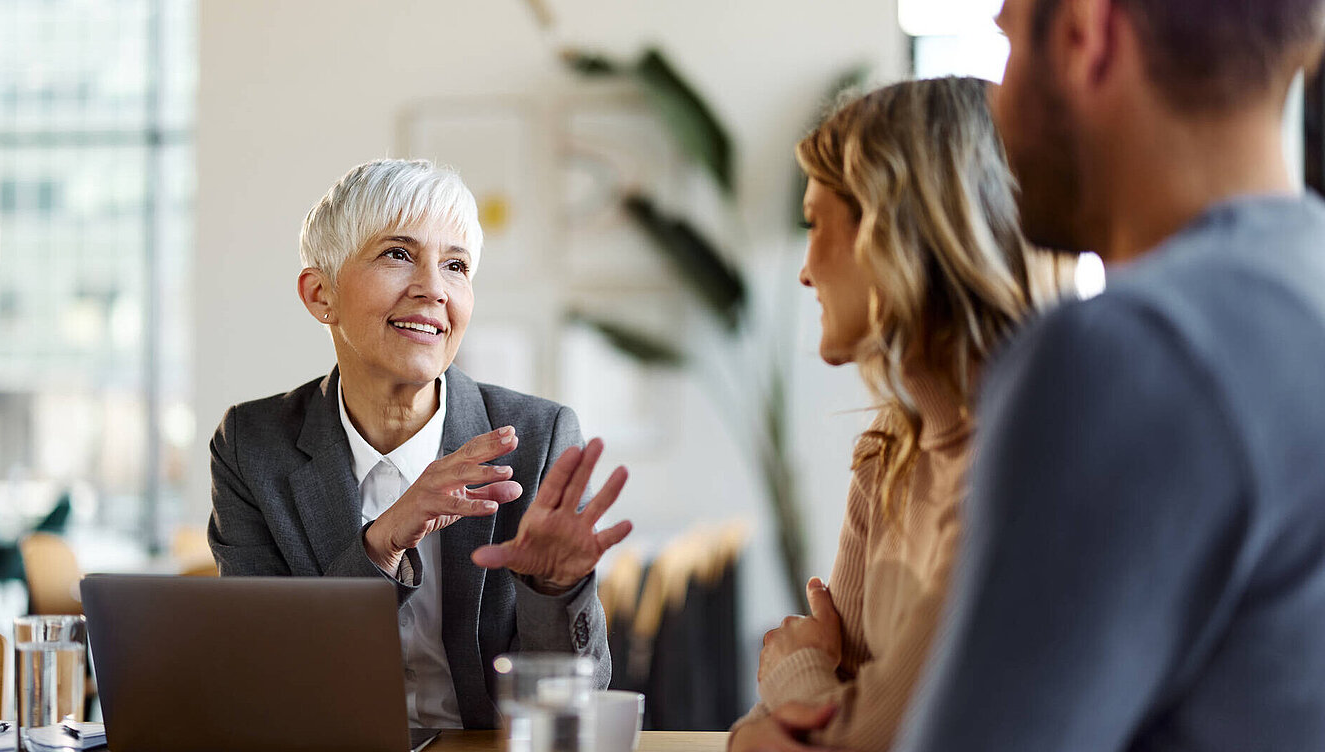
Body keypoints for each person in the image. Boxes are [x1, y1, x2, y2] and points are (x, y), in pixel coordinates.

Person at [764, 0, 1325, 749]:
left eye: (1004, 45)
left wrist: (776, 715)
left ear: (1083, 36)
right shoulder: (1300, 287)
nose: (991, 109)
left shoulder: (1124, 358)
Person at [207, 158, 633, 730]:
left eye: (456, 265)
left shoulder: (536, 438)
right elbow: (268, 676)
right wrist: (380, 545)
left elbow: (571, 703)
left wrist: (556, 589)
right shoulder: (252, 446)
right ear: (319, 295)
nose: (434, 289)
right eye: (398, 254)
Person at [729, 77, 1070, 752]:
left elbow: (848, 737)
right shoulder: (892, 447)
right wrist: (805, 706)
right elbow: (784, 734)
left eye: (816, 224)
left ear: (892, 235)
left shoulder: (1016, 469)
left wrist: (797, 676)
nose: (805, 271)